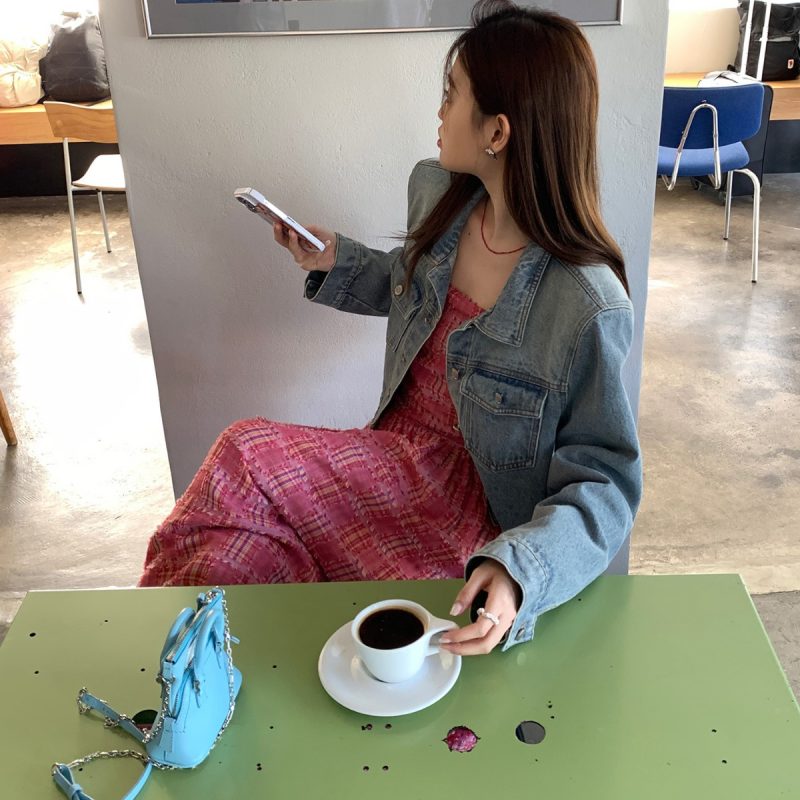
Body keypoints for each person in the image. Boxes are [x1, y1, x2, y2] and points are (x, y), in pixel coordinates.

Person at [140, 0, 642, 656]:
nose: (439, 111)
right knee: (246, 529)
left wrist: (521, 571)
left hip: (470, 509)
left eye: (451, 94)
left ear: (498, 131)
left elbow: (605, 482)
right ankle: (199, 662)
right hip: (395, 455)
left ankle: (183, 654)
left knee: (245, 455)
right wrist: (334, 261)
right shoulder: (441, 195)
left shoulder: (587, 304)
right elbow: (412, 292)